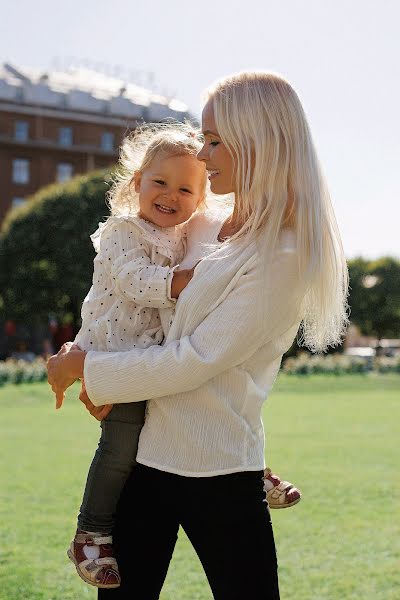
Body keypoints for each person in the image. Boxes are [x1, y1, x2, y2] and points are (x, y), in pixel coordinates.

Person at [48, 71, 349, 600]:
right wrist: (99, 364)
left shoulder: (282, 256)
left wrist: (89, 371)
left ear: (256, 142)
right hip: (145, 457)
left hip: (221, 472)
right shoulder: (202, 223)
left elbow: (193, 359)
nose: (201, 155)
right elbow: (138, 295)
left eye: (214, 140)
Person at [59, 122, 208, 588]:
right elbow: (135, 281)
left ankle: (249, 472)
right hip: (114, 358)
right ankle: (91, 531)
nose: (170, 195)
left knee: (198, 406)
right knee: (120, 448)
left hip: (149, 360)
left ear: (200, 199)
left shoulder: (184, 239)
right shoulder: (123, 230)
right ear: (136, 182)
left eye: (186, 188)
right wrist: (184, 281)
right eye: (160, 182)